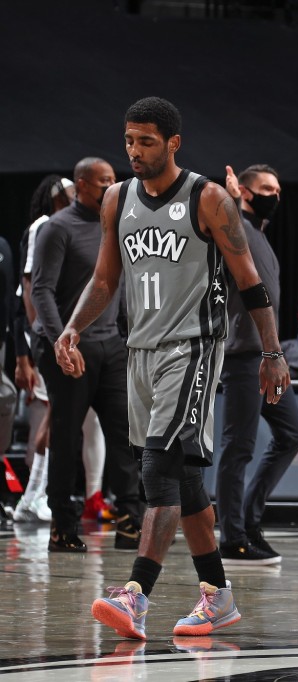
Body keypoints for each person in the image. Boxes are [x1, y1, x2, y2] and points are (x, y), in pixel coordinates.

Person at [55, 96, 289, 640]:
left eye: (147, 142)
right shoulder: (117, 198)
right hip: (141, 349)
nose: (135, 151)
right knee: (183, 478)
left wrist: (272, 352)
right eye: (129, 141)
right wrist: (72, 327)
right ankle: (218, 596)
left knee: (158, 468)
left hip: (193, 347)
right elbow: (106, 280)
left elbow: (250, 281)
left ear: (173, 143)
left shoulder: (207, 198)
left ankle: (136, 594)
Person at [30, 157, 143, 552]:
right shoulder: (56, 229)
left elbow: (121, 286)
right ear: (81, 185)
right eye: (103, 182)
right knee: (66, 435)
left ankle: (130, 519)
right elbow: (40, 289)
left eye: (114, 181)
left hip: (111, 344)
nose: (111, 187)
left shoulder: (117, 227)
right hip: (67, 346)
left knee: (125, 433)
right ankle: (62, 525)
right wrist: (62, 339)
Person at [215, 163, 298, 566]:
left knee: (291, 435)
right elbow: (223, 227)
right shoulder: (236, 227)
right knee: (238, 447)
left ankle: (248, 522)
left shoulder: (262, 238)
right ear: (248, 193)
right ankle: (231, 537)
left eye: (279, 189)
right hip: (241, 356)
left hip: (268, 356)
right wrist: (232, 201)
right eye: (268, 188)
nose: (276, 196)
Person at [11, 176, 74, 524]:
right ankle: (33, 497)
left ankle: (30, 498)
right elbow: (30, 286)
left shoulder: (70, 226)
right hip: (49, 337)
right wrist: (41, 338)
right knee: (54, 415)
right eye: (70, 193)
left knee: (58, 416)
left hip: (60, 335)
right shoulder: (44, 226)